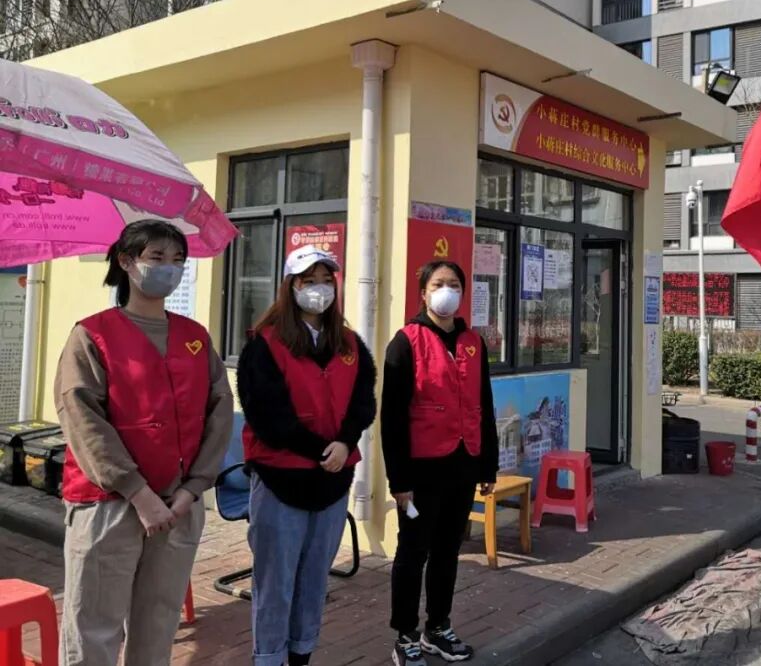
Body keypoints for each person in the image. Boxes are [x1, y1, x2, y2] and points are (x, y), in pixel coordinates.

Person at [55, 219, 233, 666]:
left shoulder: (195, 338)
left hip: (178, 504)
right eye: (157, 257)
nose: (169, 268)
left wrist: (194, 487)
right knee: (93, 627)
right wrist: (138, 492)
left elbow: (219, 410)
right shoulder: (92, 335)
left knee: (158, 621)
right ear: (126, 261)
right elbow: (82, 418)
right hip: (110, 504)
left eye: (178, 259)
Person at [238, 245, 377, 666]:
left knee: (315, 579)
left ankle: (301, 654)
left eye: (325, 280)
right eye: (308, 280)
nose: (319, 288)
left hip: (332, 482)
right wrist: (320, 450)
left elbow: (363, 402)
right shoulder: (264, 343)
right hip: (281, 479)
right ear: (291, 286)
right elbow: (267, 416)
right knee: (275, 582)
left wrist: (346, 442)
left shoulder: (350, 343)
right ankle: (269, 656)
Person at [382, 261, 499, 665]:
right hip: (421, 471)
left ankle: (437, 627)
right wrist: (399, 480)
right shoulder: (405, 342)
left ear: (463, 293)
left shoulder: (473, 342)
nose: (446, 290)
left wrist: (487, 467)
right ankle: (405, 635)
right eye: (438, 284)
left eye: (453, 284)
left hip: (463, 465)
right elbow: (392, 418)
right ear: (423, 293)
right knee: (412, 553)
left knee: (448, 551)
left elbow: (484, 405)